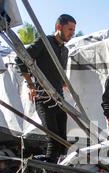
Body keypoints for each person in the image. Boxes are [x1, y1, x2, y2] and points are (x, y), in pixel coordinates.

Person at [16, 14, 76, 163]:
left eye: (74, 30)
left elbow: (58, 71)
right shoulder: (45, 42)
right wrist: (31, 85)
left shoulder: (65, 51)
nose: (72, 33)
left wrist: (63, 83)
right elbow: (20, 59)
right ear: (58, 27)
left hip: (59, 99)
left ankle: (58, 171)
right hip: (43, 97)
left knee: (63, 141)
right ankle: (47, 172)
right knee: (54, 139)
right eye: (70, 29)